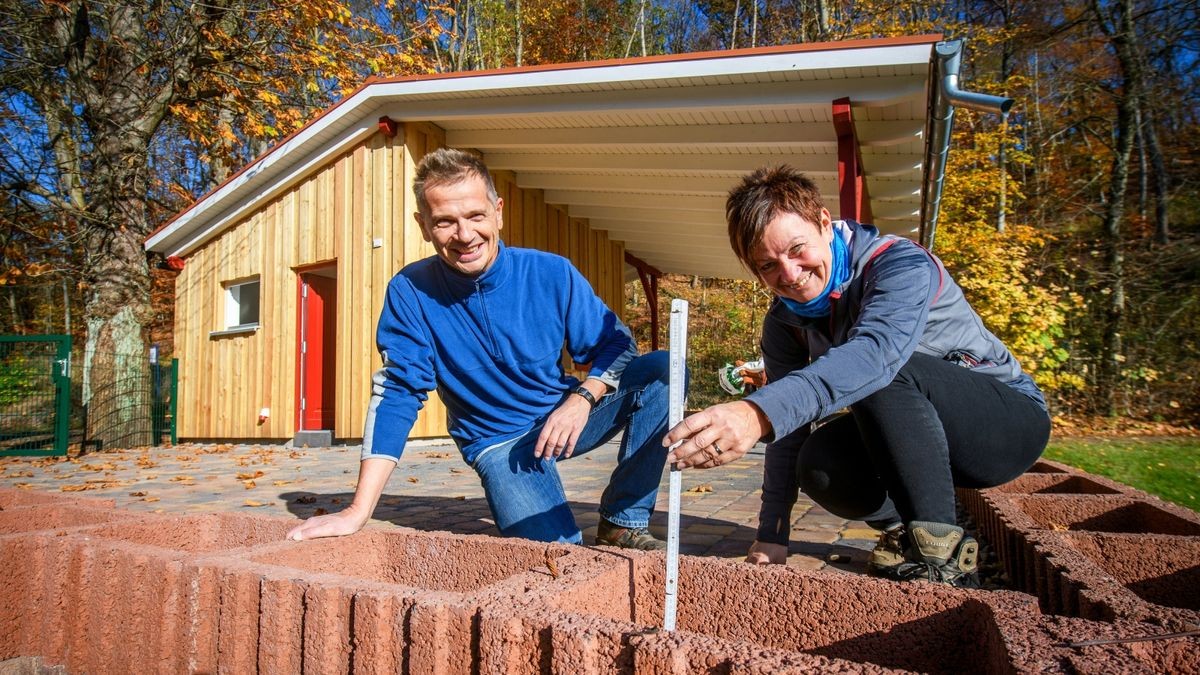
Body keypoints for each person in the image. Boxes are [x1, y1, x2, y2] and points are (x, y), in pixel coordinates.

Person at [662, 165, 1050, 586]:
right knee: (818, 464)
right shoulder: (784, 323)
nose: (790, 274)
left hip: (1005, 426)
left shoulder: (900, 264)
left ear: (825, 224)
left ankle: (942, 562)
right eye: (768, 265)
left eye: (796, 249)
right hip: (918, 433)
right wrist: (773, 534)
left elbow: (876, 356)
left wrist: (757, 412)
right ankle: (908, 527)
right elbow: (788, 432)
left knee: (874, 371)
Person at [286, 148, 670, 550]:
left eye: (475, 216)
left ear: (498, 211)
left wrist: (582, 398)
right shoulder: (410, 291)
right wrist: (357, 511)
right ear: (423, 225)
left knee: (662, 370)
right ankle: (532, 497)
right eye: (445, 222)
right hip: (500, 443)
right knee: (558, 552)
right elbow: (399, 392)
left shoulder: (550, 272)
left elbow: (617, 342)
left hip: (564, 416)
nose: (465, 235)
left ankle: (622, 521)